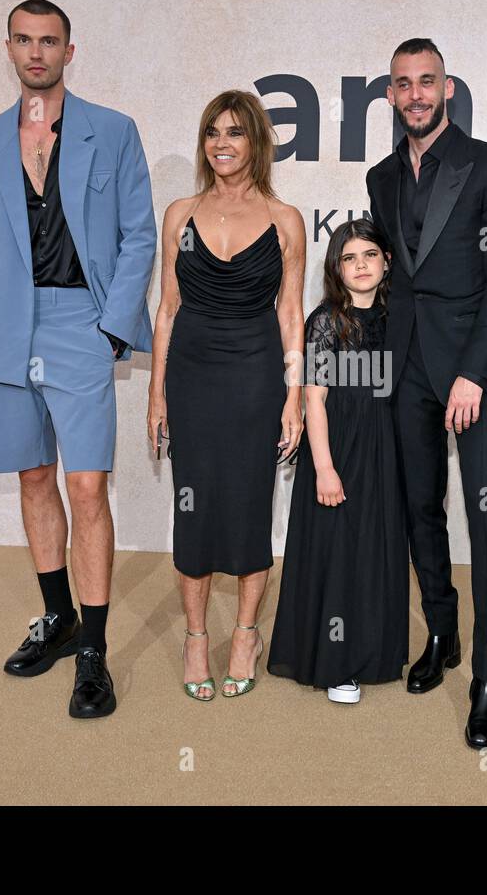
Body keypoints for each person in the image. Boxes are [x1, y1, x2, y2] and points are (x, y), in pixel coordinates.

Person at [0, 0, 156, 719]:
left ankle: (94, 652)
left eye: (50, 41)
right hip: (6, 327)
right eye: (24, 40)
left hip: (79, 321)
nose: (36, 52)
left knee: (87, 486)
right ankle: (57, 618)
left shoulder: (114, 131)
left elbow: (140, 237)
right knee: (34, 476)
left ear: (71, 50)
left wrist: (109, 329)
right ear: (7, 46)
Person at [365, 39, 487, 748]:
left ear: (449, 88)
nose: (415, 94)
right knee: (418, 508)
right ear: (392, 95)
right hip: (404, 366)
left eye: (426, 81)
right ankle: (442, 632)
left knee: (486, 522)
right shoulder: (380, 177)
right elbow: (387, 277)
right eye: (403, 84)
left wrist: (472, 369)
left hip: (476, 370)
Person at [148, 90, 305, 701]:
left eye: (235, 133)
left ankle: (244, 632)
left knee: (247, 504)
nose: (222, 144)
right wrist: (156, 396)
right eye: (212, 132)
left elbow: (291, 313)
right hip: (190, 374)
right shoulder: (179, 213)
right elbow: (166, 311)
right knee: (192, 510)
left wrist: (292, 398)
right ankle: (194, 636)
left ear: (256, 142)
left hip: (257, 374)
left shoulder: (284, 218)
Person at [268, 219, 408, 704]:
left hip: (385, 445)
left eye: (370, 254)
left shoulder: (399, 316)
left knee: (377, 545)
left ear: (387, 261)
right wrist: (324, 468)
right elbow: (315, 400)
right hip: (339, 447)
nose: (361, 265)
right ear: (336, 269)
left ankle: (375, 652)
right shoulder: (327, 321)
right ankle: (335, 663)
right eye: (349, 258)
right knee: (339, 548)